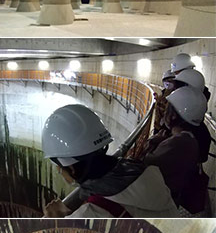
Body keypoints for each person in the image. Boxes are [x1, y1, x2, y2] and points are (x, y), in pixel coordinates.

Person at [42, 103, 179, 218]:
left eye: (60, 169)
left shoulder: (91, 214)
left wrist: (59, 220)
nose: (60, 172)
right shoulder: (147, 173)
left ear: (71, 168)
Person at [143, 86, 207, 206]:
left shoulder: (177, 144)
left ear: (174, 116)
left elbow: (147, 162)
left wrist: (153, 142)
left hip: (162, 198)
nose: (164, 113)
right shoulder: (189, 138)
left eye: (167, 110)